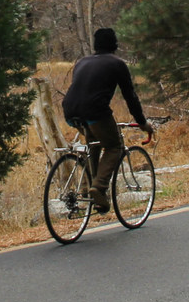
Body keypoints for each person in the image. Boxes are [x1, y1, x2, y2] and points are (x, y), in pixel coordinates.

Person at [61, 28, 153, 214]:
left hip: (70, 111)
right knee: (114, 147)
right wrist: (142, 122)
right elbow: (130, 97)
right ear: (115, 44)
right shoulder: (117, 64)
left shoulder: (82, 62)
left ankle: (90, 192)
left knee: (93, 144)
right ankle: (99, 187)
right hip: (95, 111)